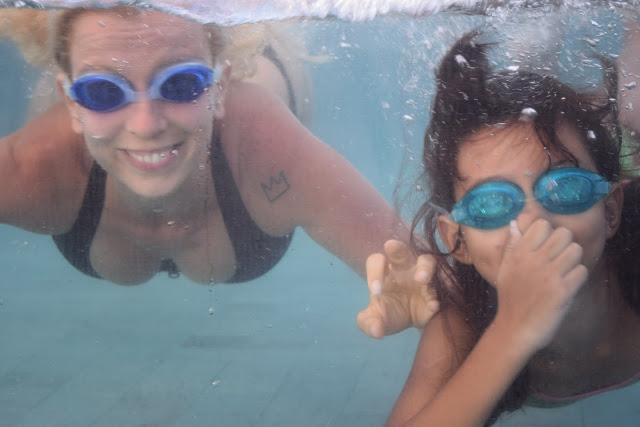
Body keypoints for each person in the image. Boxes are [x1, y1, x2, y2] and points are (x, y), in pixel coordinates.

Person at [0, 7, 438, 337]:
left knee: (255, 58)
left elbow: (435, 285)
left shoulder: (271, 151)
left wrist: (428, 301)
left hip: (258, 77)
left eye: (181, 84)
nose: (145, 126)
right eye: (101, 92)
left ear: (221, 87)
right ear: (71, 102)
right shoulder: (37, 166)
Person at [366, 31, 640, 426]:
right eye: (491, 204)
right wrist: (511, 331)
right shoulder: (465, 325)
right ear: (458, 241)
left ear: (610, 211)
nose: (532, 222)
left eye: (565, 187)